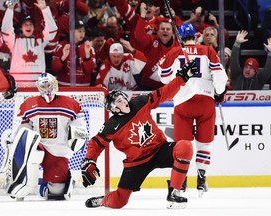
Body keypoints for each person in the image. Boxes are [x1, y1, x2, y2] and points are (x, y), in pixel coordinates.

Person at [81, 60, 198, 209]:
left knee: (185, 147)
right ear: (114, 109)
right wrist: (89, 160)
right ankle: (103, 200)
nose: (123, 100)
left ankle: (174, 192)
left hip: (159, 149)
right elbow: (96, 143)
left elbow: (164, 93)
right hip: (137, 162)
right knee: (119, 202)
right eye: (119, 100)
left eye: (123, 97)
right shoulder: (111, 126)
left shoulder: (140, 102)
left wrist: (181, 79)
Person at [158, 22, 228, 197]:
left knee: (183, 145)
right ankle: (201, 179)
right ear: (196, 36)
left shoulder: (173, 52)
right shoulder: (207, 50)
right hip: (205, 100)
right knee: (204, 144)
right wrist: (219, 92)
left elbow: (164, 77)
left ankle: (181, 182)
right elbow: (220, 76)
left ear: (179, 37)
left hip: (183, 101)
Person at [0, 73, 87, 200]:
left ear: (54, 85)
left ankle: (46, 182)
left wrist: (78, 137)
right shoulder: (29, 103)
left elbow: (79, 128)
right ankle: (27, 183)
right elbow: (23, 129)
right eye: (43, 85)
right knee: (33, 152)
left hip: (58, 150)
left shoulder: (71, 103)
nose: (46, 88)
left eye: (48, 85)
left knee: (56, 191)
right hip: (38, 145)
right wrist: (14, 141)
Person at [1, 0, 58, 87]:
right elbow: (6, 30)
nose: (28, 26)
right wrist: (10, 10)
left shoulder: (41, 40)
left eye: (30, 24)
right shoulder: (14, 41)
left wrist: (45, 10)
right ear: (21, 28)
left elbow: (52, 29)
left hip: (38, 86)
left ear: (34, 28)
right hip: (18, 86)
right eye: (25, 24)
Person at [52, 20, 96, 86]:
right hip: (64, 87)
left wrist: (87, 55)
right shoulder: (61, 46)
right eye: (79, 31)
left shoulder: (89, 47)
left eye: (84, 31)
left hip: (84, 88)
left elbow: (90, 70)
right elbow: (54, 68)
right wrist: (63, 57)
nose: (82, 34)